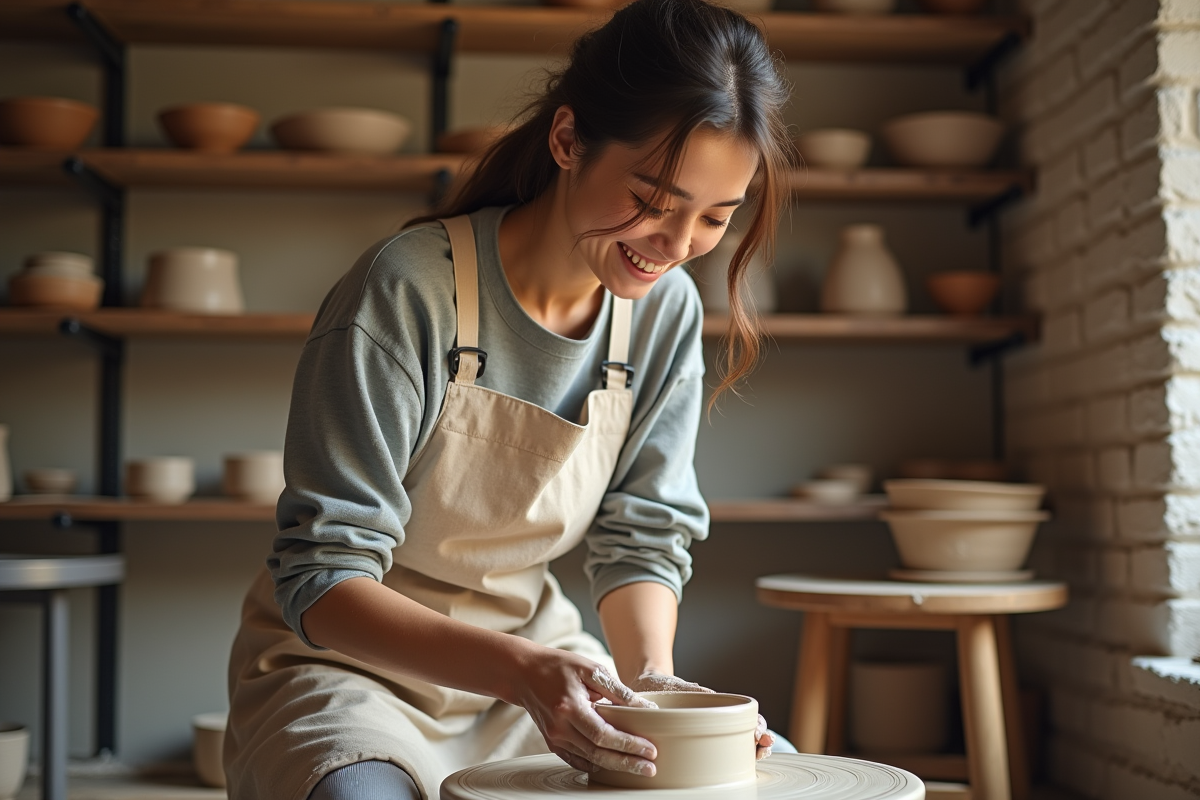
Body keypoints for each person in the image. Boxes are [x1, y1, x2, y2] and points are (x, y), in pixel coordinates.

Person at [224, 0, 795, 797]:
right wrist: (521, 672)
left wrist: (654, 686)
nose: (675, 245)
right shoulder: (408, 290)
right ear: (568, 141)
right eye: (654, 199)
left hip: (537, 668)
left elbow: (641, 537)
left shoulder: (664, 313)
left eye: (714, 219)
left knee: (759, 777)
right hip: (353, 673)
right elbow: (322, 576)